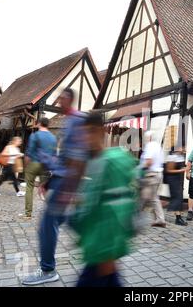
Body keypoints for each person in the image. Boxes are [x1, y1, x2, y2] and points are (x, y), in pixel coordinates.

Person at [22, 88, 88, 286]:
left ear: (69, 99)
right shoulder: (69, 122)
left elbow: (78, 158)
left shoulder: (77, 120)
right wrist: (48, 181)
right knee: (65, 220)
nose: (59, 102)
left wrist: (67, 188)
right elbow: (64, 157)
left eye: (62, 99)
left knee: (47, 225)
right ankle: (97, 242)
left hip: (66, 182)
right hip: (61, 179)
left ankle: (48, 269)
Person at [69, 111, 138, 287]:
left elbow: (119, 205)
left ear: (101, 132)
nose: (86, 138)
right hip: (95, 247)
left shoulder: (113, 161)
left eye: (91, 131)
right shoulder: (92, 163)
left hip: (103, 249)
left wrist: (109, 253)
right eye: (84, 133)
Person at [23, 117, 57, 219]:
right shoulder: (53, 137)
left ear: (40, 124)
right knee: (46, 189)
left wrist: (26, 165)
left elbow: (29, 152)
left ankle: (28, 214)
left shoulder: (35, 135)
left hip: (34, 163)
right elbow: (54, 155)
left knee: (29, 187)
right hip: (46, 165)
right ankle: (51, 213)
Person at [139, 131, 166, 228]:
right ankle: (160, 219)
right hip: (158, 174)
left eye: (145, 138)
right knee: (153, 197)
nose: (144, 140)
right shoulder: (158, 146)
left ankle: (135, 217)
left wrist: (138, 168)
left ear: (149, 138)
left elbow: (149, 162)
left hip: (151, 174)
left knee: (143, 197)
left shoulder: (150, 146)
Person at [165, 146, 188, 226]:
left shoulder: (180, 156)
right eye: (182, 147)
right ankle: (178, 218)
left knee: (178, 198)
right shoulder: (172, 157)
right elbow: (169, 170)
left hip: (179, 179)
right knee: (177, 198)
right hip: (173, 180)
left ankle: (178, 217)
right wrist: (181, 170)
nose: (184, 148)